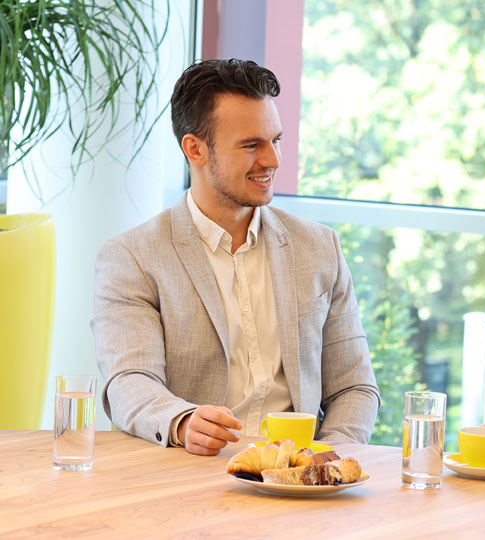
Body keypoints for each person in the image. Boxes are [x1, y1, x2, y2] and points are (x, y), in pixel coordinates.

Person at [92, 59, 380, 456]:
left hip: (299, 481)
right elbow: (128, 381)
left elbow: (354, 387)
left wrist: (322, 460)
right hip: (188, 476)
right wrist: (182, 421)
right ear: (195, 149)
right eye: (251, 145)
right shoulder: (132, 257)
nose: (273, 160)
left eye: (275, 140)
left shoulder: (319, 248)